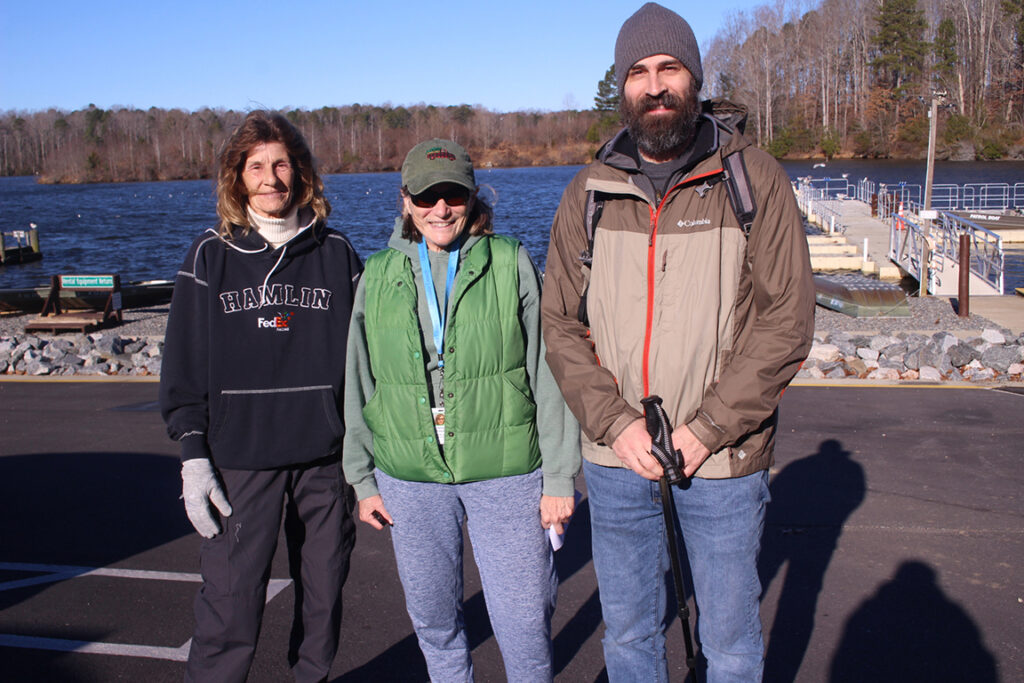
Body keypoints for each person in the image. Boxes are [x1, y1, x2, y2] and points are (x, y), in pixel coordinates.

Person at [541, 4, 815, 682]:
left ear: (694, 76)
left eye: (668, 68)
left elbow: (787, 319)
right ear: (622, 85)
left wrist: (706, 428)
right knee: (631, 634)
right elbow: (558, 323)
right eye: (638, 72)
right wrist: (616, 424)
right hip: (616, 461)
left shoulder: (753, 180)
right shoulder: (589, 192)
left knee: (728, 642)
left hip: (721, 459)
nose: (654, 85)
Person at [342, 138, 580, 681]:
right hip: (410, 476)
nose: (440, 209)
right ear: (406, 201)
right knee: (435, 623)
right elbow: (358, 379)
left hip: (507, 472)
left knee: (524, 622)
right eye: (427, 197)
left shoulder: (510, 259)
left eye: (452, 195)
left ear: (472, 197)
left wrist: (560, 476)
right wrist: (362, 478)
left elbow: (549, 369)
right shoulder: (377, 274)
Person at [160, 110, 362, 683]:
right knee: (230, 608)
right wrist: (193, 455)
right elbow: (182, 366)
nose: (271, 177)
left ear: (300, 172)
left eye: (281, 164)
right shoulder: (210, 254)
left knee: (323, 602)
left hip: (325, 460)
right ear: (237, 176)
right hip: (239, 462)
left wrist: (366, 448)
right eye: (256, 167)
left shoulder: (336, 251)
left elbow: (365, 358)